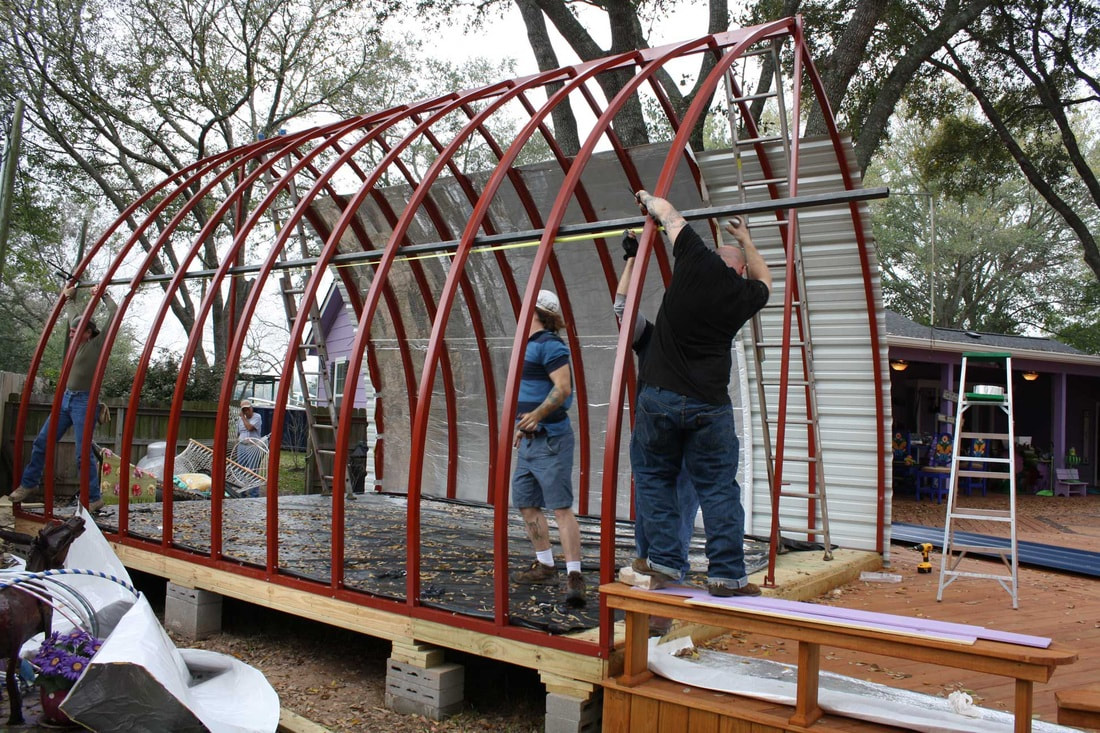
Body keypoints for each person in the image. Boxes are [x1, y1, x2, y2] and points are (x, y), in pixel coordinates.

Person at [628, 190, 772, 597]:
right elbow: (766, 279)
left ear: (712, 256)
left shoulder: (693, 259)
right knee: (718, 489)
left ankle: (665, 564)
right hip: (710, 404)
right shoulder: (744, 294)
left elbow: (668, 212)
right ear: (739, 270)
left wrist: (645, 199)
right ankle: (727, 575)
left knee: (654, 480)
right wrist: (746, 239)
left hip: (660, 397)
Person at [616, 230, 699, 581]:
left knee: (677, 505)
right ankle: (651, 567)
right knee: (654, 502)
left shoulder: (703, 341)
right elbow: (622, 308)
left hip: (688, 438)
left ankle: (669, 575)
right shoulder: (650, 337)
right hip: (656, 437)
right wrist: (632, 259)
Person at [509, 289, 586, 608]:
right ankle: (546, 566)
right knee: (526, 502)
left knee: (560, 507)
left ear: (538, 312)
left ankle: (574, 575)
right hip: (530, 441)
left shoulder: (550, 345)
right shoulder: (529, 345)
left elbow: (563, 387)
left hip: (550, 439)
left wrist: (537, 416)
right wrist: (521, 426)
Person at [10, 286, 118, 513]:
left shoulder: (96, 345)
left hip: (84, 402)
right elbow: (72, 313)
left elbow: (114, 313)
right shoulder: (75, 338)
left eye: (75, 332)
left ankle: (94, 498)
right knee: (42, 441)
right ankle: (29, 484)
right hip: (65, 399)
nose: (71, 335)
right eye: (71, 332)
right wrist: (69, 297)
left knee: (82, 453)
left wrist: (103, 295)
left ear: (87, 332)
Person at [235, 400, 265, 473]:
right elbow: (238, 433)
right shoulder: (240, 420)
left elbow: (250, 428)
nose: (246, 410)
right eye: (244, 409)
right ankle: (241, 483)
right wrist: (236, 445)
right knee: (240, 467)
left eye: (248, 408)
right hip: (241, 445)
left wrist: (243, 417)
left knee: (253, 468)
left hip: (252, 446)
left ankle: (252, 482)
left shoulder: (257, 416)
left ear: (251, 408)